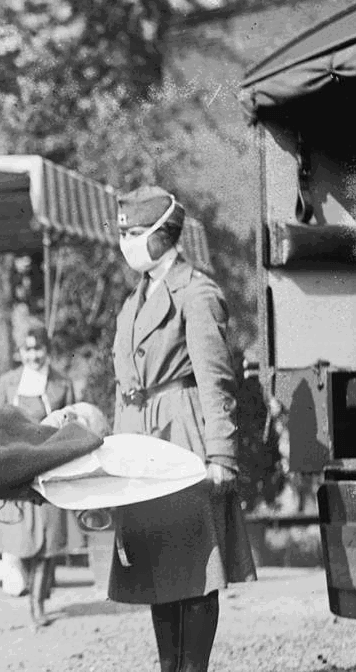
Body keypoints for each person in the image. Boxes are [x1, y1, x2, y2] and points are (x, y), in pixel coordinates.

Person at [109, 186, 256, 672]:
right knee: (157, 569)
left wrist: (222, 457)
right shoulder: (134, 300)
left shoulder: (197, 292)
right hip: (141, 441)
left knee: (193, 570)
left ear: (160, 236)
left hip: (185, 437)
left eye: (132, 233)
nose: (124, 241)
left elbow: (217, 379)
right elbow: (125, 385)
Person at [0, 322, 78, 629]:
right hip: (15, 468)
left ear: (47, 351)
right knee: (22, 538)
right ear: (20, 352)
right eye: (28, 349)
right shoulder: (8, 382)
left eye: (39, 349)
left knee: (49, 539)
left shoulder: (61, 384)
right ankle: (32, 586)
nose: (34, 356)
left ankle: (37, 604)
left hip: (49, 466)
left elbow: (73, 426)